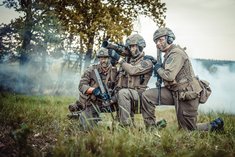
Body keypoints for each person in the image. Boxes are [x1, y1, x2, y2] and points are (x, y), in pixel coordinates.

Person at [141, 27, 224, 131]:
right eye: (156, 41)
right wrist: (155, 63)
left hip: (187, 94)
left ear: (169, 39)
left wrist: (157, 68)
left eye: (160, 40)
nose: (157, 43)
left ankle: (214, 126)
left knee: (187, 131)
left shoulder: (176, 53)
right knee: (147, 96)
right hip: (174, 91)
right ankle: (151, 129)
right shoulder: (169, 54)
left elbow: (169, 76)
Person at [109, 34, 156, 127]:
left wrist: (120, 60)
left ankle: (126, 125)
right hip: (125, 95)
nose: (131, 49)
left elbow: (132, 70)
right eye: (129, 47)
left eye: (133, 46)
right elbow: (114, 80)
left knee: (123, 93)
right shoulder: (127, 61)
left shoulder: (147, 62)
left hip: (139, 96)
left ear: (140, 47)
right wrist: (113, 66)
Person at [68, 47, 118, 130]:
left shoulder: (115, 71)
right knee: (87, 126)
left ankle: (121, 123)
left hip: (109, 102)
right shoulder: (91, 70)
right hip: (93, 102)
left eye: (105, 58)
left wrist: (113, 98)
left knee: (122, 101)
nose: (103, 61)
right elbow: (81, 85)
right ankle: (79, 115)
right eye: (101, 58)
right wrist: (94, 90)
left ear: (109, 58)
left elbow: (118, 88)